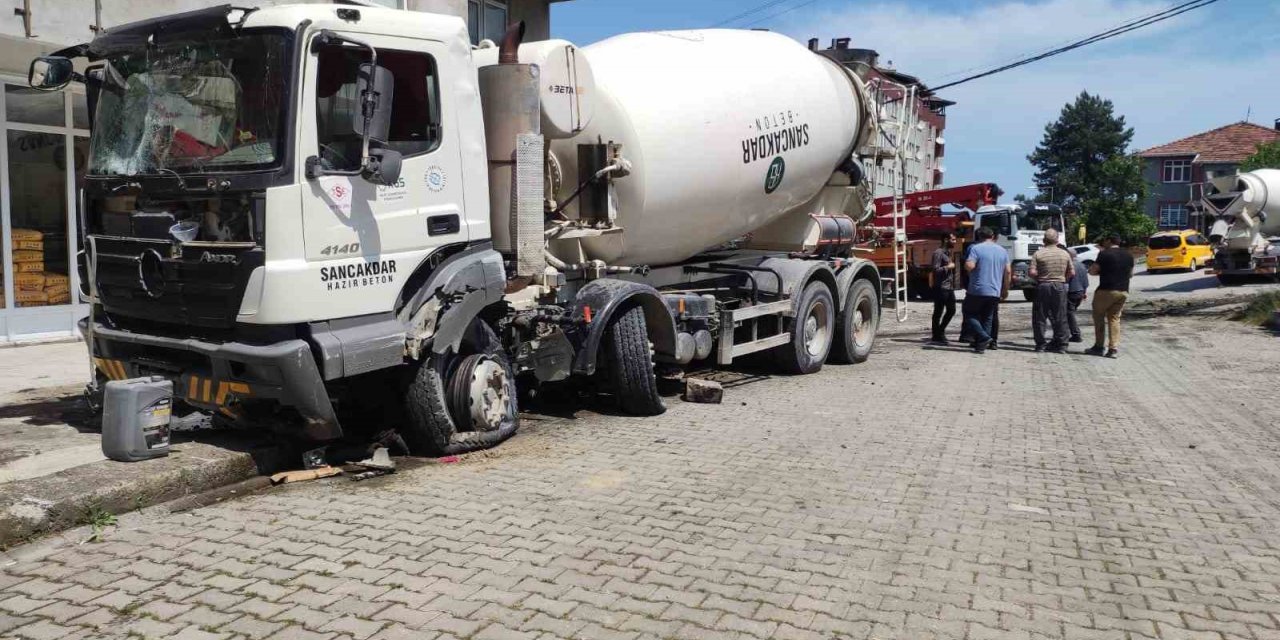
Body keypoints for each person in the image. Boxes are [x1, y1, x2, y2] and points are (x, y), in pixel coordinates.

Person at [963, 226, 1011, 354]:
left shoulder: (975, 248)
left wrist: (967, 266)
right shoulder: (1002, 250)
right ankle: (980, 346)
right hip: (995, 290)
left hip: (977, 289)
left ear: (979, 236)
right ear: (992, 236)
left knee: (969, 314)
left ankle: (983, 337)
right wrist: (1005, 289)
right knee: (988, 318)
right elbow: (1008, 271)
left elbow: (970, 266)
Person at [1087, 234, 1134, 358]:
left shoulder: (1104, 254)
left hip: (1106, 290)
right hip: (1123, 291)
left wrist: (1103, 272)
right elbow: (1130, 274)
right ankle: (1113, 349)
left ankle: (1099, 346)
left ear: (1109, 241)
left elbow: (1092, 271)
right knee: (1114, 319)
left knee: (1099, 317)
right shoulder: (1128, 255)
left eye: (1104, 241)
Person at [1029, 228, 1074, 353]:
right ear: (1057, 240)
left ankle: (1041, 345)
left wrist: (1039, 277)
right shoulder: (1064, 253)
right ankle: (1062, 345)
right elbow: (1072, 272)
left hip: (1043, 286)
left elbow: (1032, 272)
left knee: (1040, 316)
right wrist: (1063, 278)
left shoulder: (1038, 254)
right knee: (1061, 315)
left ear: (1044, 240)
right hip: (1059, 285)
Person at [930, 233, 959, 344]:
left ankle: (940, 331)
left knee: (951, 310)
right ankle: (936, 334)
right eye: (953, 239)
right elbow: (935, 270)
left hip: (949, 286)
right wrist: (948, 267)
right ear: (946, 240)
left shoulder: (948, 253)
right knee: (938, 312)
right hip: (941, 287)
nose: (955, 241)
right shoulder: (938, 253)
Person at [1065, 247, 1090, 343]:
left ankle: (1076, 334)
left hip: (1072, 292)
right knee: (1070, 313)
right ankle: (1070, 333)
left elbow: (1067, 280)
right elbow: (1086, 282)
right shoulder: (1082, 265)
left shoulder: (1069, 265)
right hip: (1080, 292)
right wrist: (1084, 292)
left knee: (1069, 313)